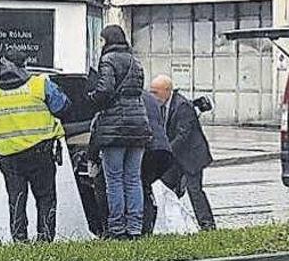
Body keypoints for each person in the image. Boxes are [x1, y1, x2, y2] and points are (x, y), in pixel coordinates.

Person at [0, 49, 69, 243]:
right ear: (25, 64)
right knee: (45, 198)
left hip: (9, 156)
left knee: (16, 199)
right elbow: (62, 106)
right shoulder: (40, 84)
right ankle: (45, 240)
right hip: (39, 152)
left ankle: (19, 242)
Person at [89, 25, 151, 239]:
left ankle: (117, 228)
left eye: (101, 40)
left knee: (114, 179)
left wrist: (92, 98)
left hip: (115, 127)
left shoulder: (108, 60)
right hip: (139, 124)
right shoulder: (136, 60)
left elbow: (105, 89)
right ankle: (135, 227)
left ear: (107, 40)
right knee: (133, 179)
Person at [150, 75, 217, 231]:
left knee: (194, 190)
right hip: (177, 156)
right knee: (164, 185)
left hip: (192, 157)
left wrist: (166, 151)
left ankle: (207, 225)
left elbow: (183, 135)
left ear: (167, 90)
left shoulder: (182, 106)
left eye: (155, 92)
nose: (152, 96)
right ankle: (170, 222)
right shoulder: (163, 104)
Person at [140, 90, 173, 235]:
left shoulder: (127, 97)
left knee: (137, 186)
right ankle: (148, 226)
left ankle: (143, 227)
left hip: (148, 148)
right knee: (145, 187)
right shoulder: (149, 97)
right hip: (163, 150)